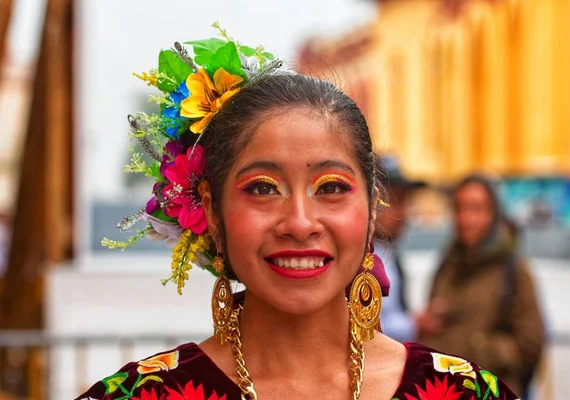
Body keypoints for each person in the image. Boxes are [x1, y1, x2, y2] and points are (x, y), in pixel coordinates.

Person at [77, 31, 519, 399]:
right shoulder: (143, 394)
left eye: (331, 188)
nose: (300, 222)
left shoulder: (463, 391)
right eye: (262, 189)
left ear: (370, 210)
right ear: (211, 211)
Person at [418, 174, 545, 398]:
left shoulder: (513, 270)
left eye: (477, 209)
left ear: (493, 214)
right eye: (460, 208)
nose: (466, 218)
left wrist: (477, 348)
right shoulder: (447, 265)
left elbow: (531, 344)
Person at [375, 155, 443, 342]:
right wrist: (413, 325)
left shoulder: (387, 252)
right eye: (394, 202)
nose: (403, 213)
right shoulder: (357, 258)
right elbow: (359, 326)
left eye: (406, 202)